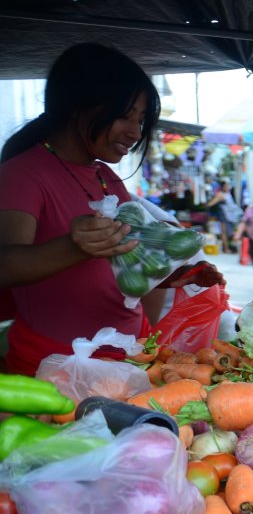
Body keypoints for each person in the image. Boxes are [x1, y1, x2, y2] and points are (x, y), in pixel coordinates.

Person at [0, 43, 223, 375]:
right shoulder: (23, 174)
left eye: (141, 120)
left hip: (128, 356)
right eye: (124, 115)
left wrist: (173, 275)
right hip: (56, 365)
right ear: (78, 105)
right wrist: (72, 247)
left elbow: (123, 265)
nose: (135, 132)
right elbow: (5, 265)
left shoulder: (106, 176)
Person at [205, 182, 237, 253]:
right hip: (224, 216)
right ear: (222, 187)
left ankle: (226, 248)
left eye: (227, 186)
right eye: (226, 186)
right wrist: (206, 205)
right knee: (224, 232)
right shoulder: (220, 194)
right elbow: (211, 203)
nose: (227, 187)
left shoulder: (227, 194)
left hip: (229, 216)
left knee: (227, 232)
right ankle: (226, 249)